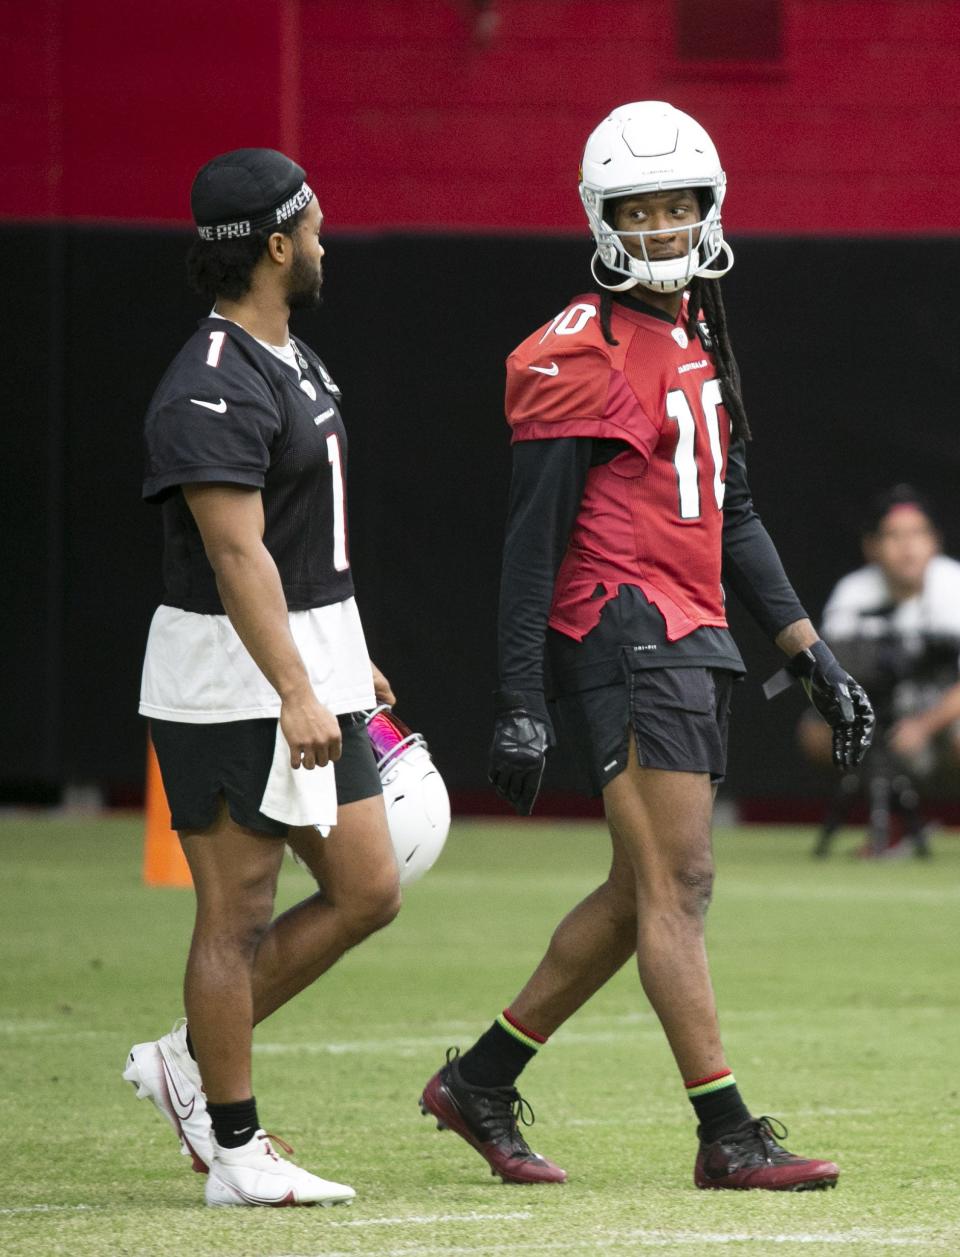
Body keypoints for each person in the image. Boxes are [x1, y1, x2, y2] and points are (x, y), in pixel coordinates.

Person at [419, 102, 874, 1191]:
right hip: (624, 633)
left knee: (640, 893)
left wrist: (814, 654)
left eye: (680, 205)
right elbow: (530, 549)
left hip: (695, 631)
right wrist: (520, 695)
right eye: (642, 208)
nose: (665, 226)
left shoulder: (693, 333)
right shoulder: (576, 352)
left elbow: (738, 513)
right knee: (683, 881)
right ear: (602, 218)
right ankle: (726, 1131)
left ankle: (478, 1082)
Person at [123, 149, 402, 1208]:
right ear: (277, 244)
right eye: (317, 228)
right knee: (235, 916)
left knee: (370, 886)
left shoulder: (290, 354)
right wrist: (295, 683)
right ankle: (235, 1152)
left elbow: (301, 541)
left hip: (303, 659)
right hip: (228, 680)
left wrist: (342, 657)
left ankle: (184, 1061)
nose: (327, 243)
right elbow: (236, 556)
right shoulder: (206, 385)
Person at [801, 486, 960, 856]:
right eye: (893, 535)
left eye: (917, 534)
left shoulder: (953, 587)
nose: (907, 547)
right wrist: (861, 720)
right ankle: (889, 824)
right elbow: (831, 677)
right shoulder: (852, 594)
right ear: (871, 546)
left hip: (941, 720)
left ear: (934, 542)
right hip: (878, 717)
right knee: (815, 732)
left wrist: (924, 725)